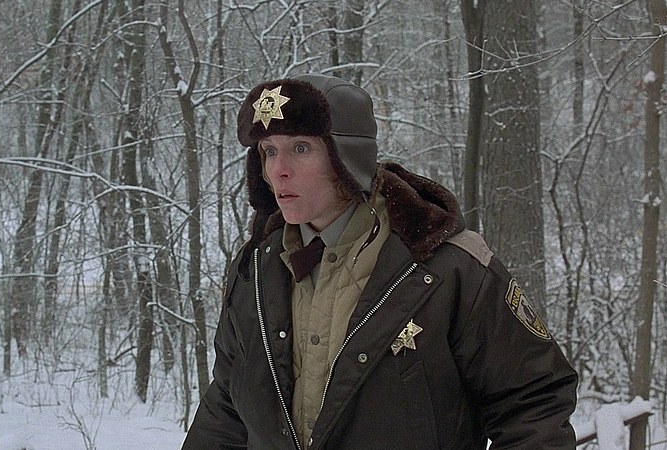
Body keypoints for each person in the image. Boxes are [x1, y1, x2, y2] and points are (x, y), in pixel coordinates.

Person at [182, 73, 578, 449]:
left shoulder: (448, 269)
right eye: (269, 151)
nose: (278, 170)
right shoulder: (253, 272)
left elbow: (533, 407)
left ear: (346, 157)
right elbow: (226, 409)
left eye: (300, 148)